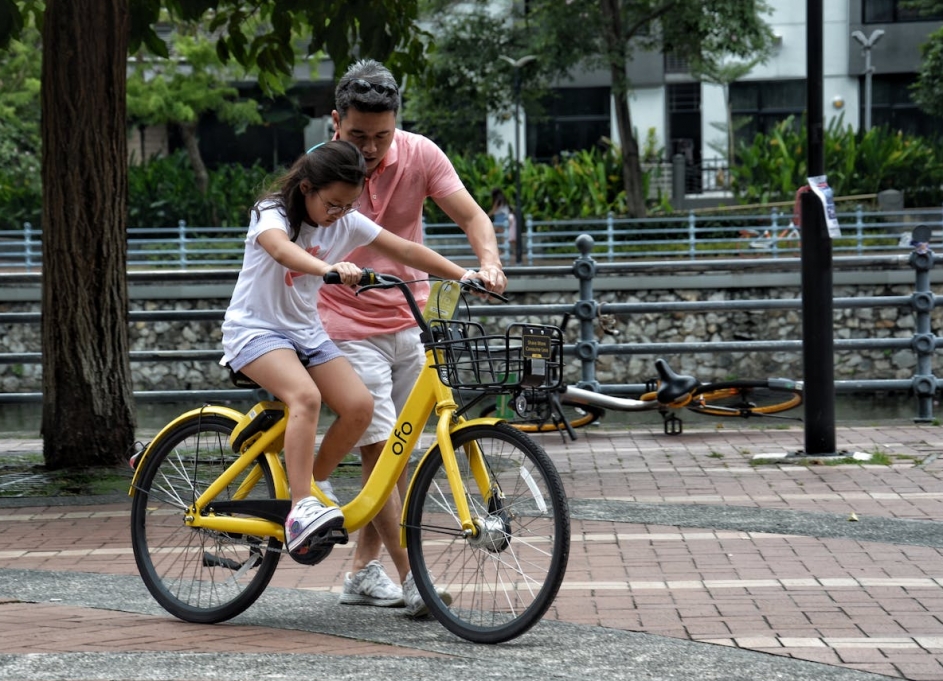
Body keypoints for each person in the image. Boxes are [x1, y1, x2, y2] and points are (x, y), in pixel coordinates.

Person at [219, 140, 474, 562]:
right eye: (333, 204)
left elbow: (407, 250)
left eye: (348, 205)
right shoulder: (271, 212)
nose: (339, 214)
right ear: (306, 188)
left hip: (305, 331)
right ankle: (301, 509)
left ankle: (313, 482)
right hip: (255, 331)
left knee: (360, 407)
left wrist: (466, 274)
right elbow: (282, 249)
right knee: (306, 397)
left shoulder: (347, 221)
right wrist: (328, 269)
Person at [318, 59, 506, 617]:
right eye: (358, 136)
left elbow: (472, 215)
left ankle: (359, 573)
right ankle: (413, 577)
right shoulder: (322, 167)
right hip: (343, 323)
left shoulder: (421, 154)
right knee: (382, 447)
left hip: (411, 319)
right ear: (336, 123)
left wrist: (489, 263)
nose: (372, 148)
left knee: (397, 458)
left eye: (382, 135)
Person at [488, 187, 516, 262]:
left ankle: (502, 251)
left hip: (500, 218)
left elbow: (494, 210)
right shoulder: (503, 199)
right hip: (503, 218)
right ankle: (503, 251)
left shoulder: (497, 200)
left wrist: (486, 216)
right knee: (502, 236)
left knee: (490, 233)